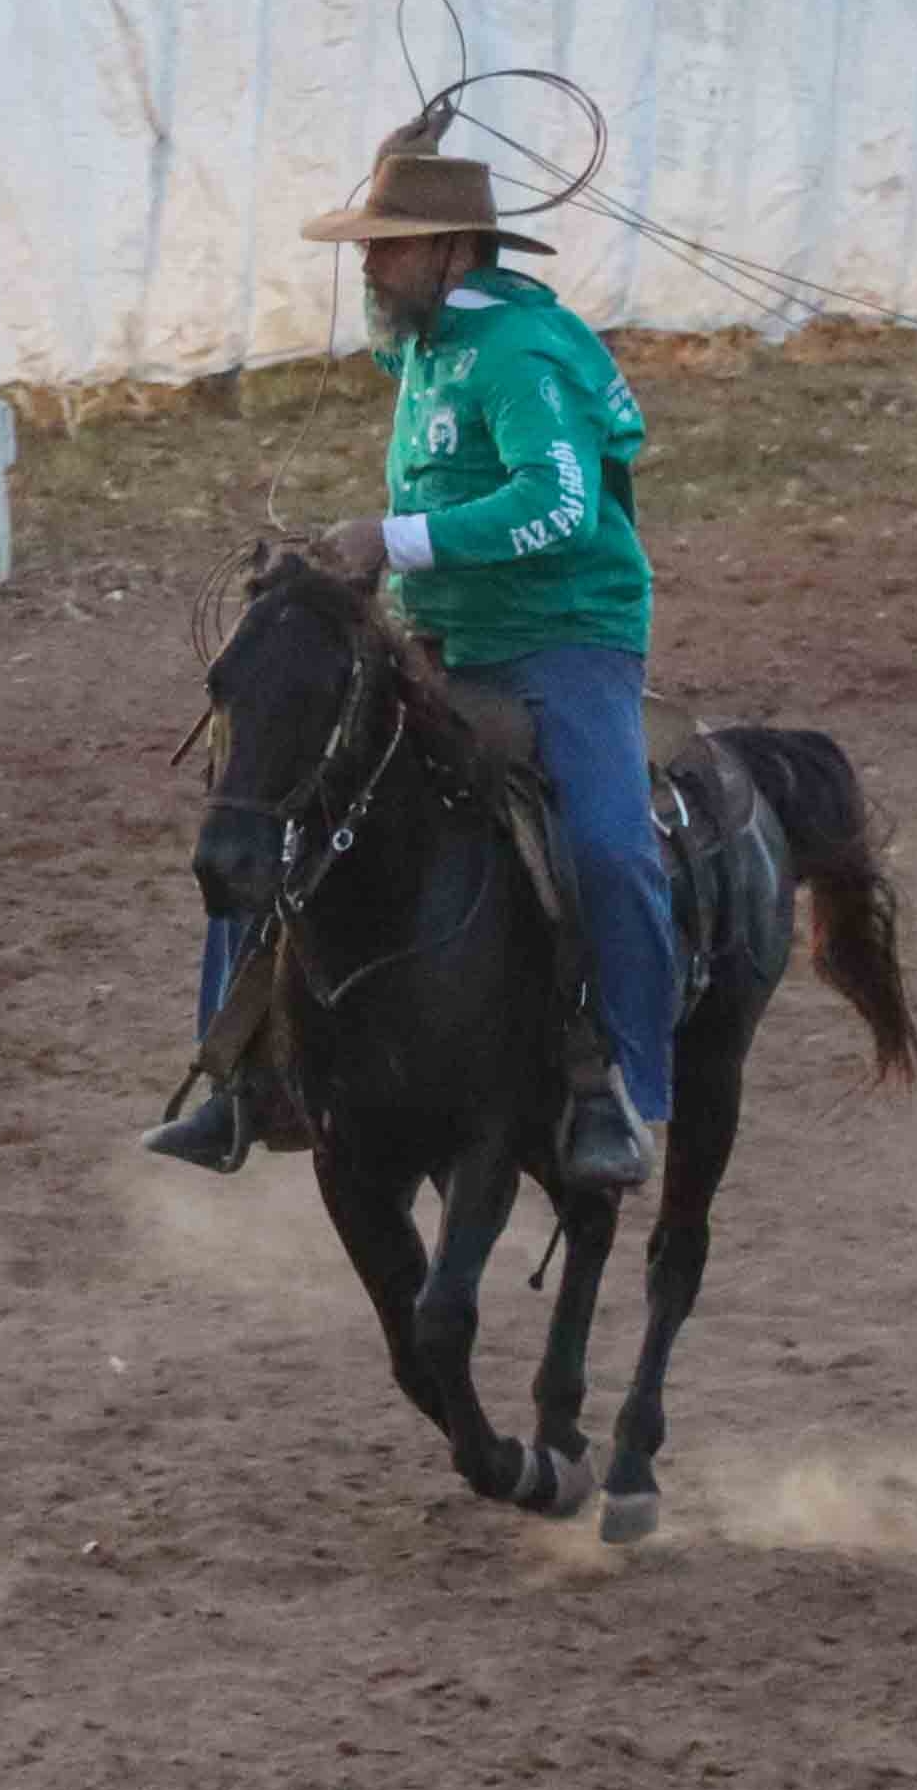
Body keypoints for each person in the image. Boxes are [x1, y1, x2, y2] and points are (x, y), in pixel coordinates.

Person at [147, 120, 674, 1191]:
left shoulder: (523, 355)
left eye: (387, 246)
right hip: (442, 637)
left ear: (453, 251)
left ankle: (618, 1089)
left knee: (611, 848)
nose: (367, 265)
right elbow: (386, 326)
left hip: (562, 641)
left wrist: (394, 540)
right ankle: (238, 1074)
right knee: (275, 798)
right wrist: (397, 157)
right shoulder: (428, 337)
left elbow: (561, 506)